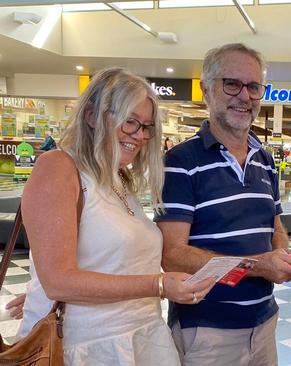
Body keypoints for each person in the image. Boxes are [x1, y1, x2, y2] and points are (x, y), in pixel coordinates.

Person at [15, 68, 215, 364]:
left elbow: (105, 261)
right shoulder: (58, 167)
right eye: (129, 122)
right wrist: (159, 285)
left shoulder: (118, 178)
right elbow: (57, 282)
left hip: (138, 336)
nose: (139, 136)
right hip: (84, 345)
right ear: (93, 116)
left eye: (145, 127)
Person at [154, 43, 291, 366]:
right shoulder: (180, 162)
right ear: (206, 89)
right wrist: (261, 265)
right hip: (207, 332)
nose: (244, 96)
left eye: (253, 87)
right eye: (231, 84)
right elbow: (172, 255)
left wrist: (284, 256)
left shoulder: (264, 159)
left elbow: (275, 227)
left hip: (264, 325)